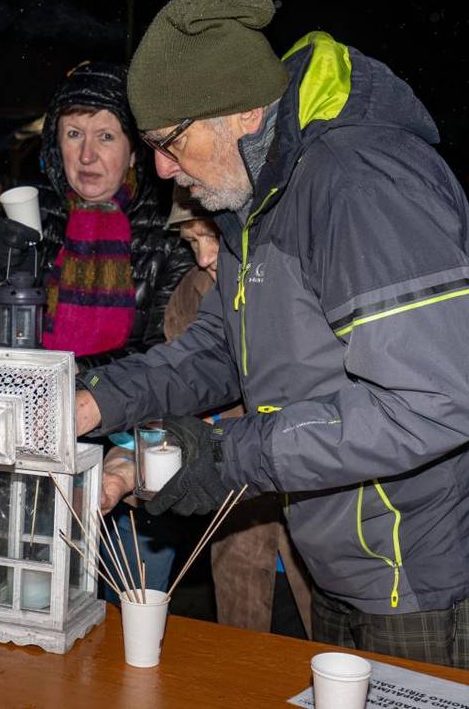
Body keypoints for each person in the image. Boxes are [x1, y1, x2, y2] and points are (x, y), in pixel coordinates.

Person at [79, 0, 469, 673]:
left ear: (239, 111)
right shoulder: (256, 195)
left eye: (170, 141)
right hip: (338, 535)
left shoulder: (361, 184)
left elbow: (431, 402)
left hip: (422, 561)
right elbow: (222, 348)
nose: (165, 170)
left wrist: (228, 452)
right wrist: (98, 399)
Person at [0, 61, 194, 595]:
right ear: (54, 144)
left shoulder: (169, 228)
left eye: (106, 136)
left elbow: (176, 360)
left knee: (127, 604)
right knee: (35, 594)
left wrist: (98, 407)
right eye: (73, 134)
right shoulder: (34, 218)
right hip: (36, 446)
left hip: (127, 447)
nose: (86, 155)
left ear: (135, 149)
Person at [161, 186, 314, 636]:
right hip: (235, 500)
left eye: (213, 236)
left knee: (318, 635)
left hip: (302, 484)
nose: (205, 256)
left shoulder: (287, 276)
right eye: (192, 242)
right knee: (244, 621)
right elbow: (178, 383)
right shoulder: (190, 295)